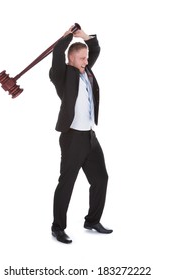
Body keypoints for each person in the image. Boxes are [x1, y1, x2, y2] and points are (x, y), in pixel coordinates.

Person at [49, 25, 113, 244]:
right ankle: (58, 227)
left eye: (86, 59)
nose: (87, 61)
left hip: (89, 137)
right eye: (82, 59)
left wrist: (85, 37)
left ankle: (92, 221)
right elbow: (57, 54)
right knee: (67, 183)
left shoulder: (87, 71)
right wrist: (66, 37)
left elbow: (94, 50)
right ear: (71, 59)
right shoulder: (62, 75)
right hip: (72, 137)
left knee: (101, 179)